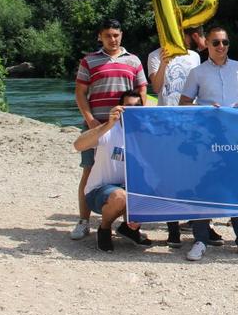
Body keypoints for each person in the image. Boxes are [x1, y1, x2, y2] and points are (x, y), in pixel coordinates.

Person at [178, 27, 238, 261]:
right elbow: (184, 102)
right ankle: (200, 240)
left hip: (236, 137)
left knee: (237, 187)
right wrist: (204, 110)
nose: (221, 47)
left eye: (225, 42)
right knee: (205, 187)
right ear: (206, 44)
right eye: (216, 42)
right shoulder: (197, 72)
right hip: (207, 138)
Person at [71, 19, 147, 241]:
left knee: (132, 172)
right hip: (98, 126)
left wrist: (139, 121)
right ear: (100, 37)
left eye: (116, 35)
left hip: (126, 127)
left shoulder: (133, 61)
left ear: (121, 34)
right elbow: (80, 93)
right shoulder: (89, 61)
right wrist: (91, 120)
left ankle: (129, 225)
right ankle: (83, 221)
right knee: (89, 170)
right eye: (107, 36)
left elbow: (142, 90)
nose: (112, 39)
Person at [147, 27, 205, 248]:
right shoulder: (154, 55)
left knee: (196, 174)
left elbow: (199, 87)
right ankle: (173, 230)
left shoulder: (194, 56)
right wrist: (164, 62)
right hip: (167, 123)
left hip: (192, 122)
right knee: (170, 176)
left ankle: (201, 224)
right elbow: (156, 87)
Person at [72, 91, 151, 252]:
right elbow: (78, 145)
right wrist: (107, 124)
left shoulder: (145, 134)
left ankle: (129, 229)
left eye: (137, 107)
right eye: (128, 107)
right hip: (100, 192)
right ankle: (105, 228)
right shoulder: (109, 131)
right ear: (119, 108)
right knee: (120, 196)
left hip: (128, 188)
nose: (133, 110)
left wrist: (207, 112)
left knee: (156, 188)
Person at [147, 27, 205, 106]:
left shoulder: (195, 56)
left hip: (190, 111)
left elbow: (197, 87)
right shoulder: (154, 55)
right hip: (166, 113)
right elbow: (156, 89)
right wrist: (163, 64)